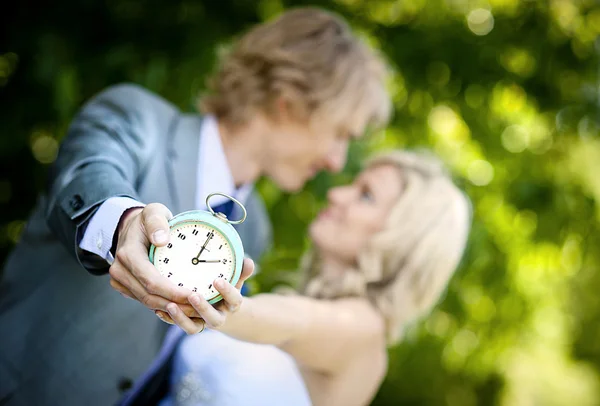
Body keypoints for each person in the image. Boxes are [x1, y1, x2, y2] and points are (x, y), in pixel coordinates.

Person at [0, 7, 391, 406]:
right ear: (289, 100)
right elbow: (85, 173)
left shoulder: (254, 230)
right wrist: (126, 224)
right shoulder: (140, 119)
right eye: (340, 134)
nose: (337, 162)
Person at [150, 149, 472, 406]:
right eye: (354, 184)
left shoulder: (365, 331)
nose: (337, 194)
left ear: (401, 238)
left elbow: (293, 322)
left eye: (366, 196)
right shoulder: (302, 300)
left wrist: (226, 306)